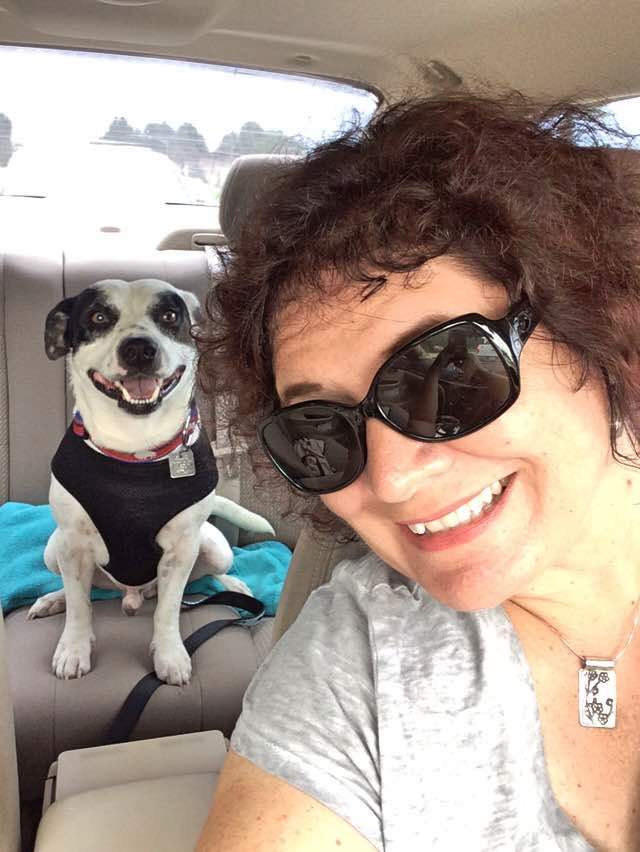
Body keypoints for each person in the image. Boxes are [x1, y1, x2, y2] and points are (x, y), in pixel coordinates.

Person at [195, 94, 640, 851]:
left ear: (606, 331)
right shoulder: (361, 662)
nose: (391, 480)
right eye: (319, 427)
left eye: (449, 372)